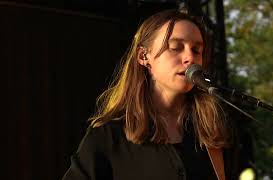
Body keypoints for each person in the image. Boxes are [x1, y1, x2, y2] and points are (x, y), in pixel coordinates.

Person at [62, 9, 231, 180]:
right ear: (144, 56)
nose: (189, 57)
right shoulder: (108, 137)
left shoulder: (213, 132)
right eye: (175, 47)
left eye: (196, 50)